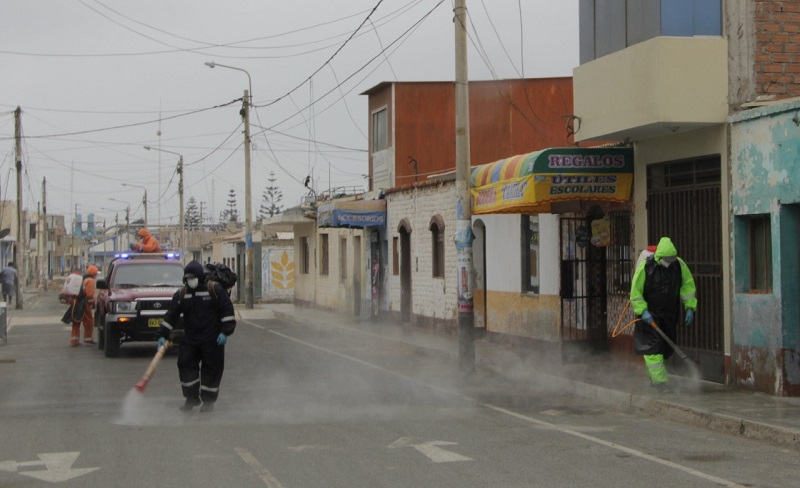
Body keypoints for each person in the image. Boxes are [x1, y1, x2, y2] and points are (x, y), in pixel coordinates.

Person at [157, 260, 236, 413]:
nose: (190, 281)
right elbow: (171, 315)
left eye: (193, 278)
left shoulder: (214, 290)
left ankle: (208, 402)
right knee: (185, 364)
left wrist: (225, 332)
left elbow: (227, 311)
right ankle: (191, 398)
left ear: (200, 277)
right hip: (191, 338)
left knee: (211, 369)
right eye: (188, 278)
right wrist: (162, 334)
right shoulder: (182, 294)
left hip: (212, 339)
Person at [630, 237, 697, 393]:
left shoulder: (679, 265)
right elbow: (635, 292)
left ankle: (653, 379)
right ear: (659, 256)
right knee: (652, 348)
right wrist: (642, 311)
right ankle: (660, 383)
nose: (669, 262)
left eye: (671, 259)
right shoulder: (646, 267)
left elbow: (687, 285)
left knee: (664, 348)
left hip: (669, 314)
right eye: (666, 259)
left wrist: (690, 307)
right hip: (650, 314)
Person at [70, 264, 98, 347]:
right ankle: (88, 338)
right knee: (89, 321)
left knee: (76, 321)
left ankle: (74, 340)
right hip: (84, 304)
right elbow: (89, 295)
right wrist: (93, 304)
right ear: (93, 273)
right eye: (96, 273)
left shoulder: (83, 278)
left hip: (76, 302)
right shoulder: (90, 281)